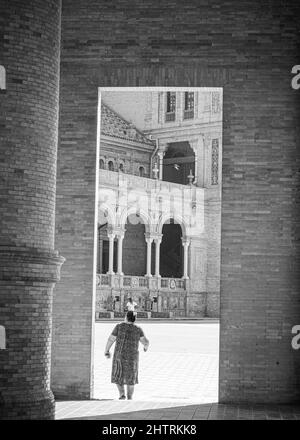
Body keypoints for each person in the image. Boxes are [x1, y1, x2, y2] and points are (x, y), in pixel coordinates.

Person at [104, 311, 149, 400]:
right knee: (131, 378)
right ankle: (130, 397)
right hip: (132, 358)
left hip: (119, 355)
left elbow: (111, 339)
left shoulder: (119, 326)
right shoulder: (137, 329)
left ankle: (121, 394)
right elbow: (146, 342)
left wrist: (107, 351)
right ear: (134, 319)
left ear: (126, 317)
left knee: (118, 374)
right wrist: (145, 348)